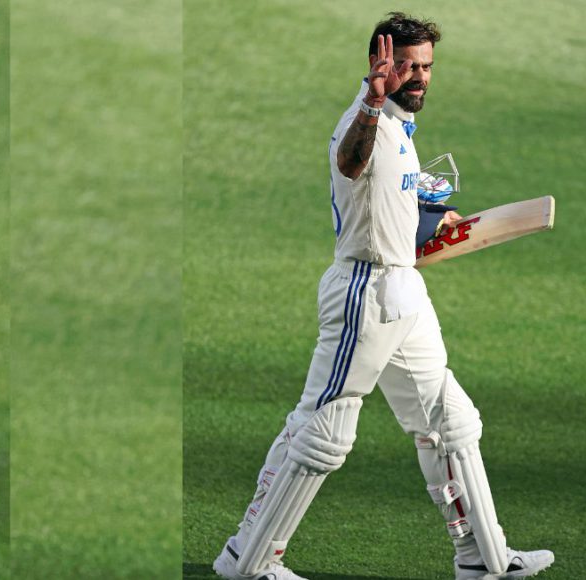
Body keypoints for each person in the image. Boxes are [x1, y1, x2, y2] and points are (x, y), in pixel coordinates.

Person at [213, 13, 555, 580]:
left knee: (449, 421)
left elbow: (390, 205)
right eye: (405, 66)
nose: (418, 77)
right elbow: (351, 163)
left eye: (426, 67)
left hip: (404, 291)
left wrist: (434, 219)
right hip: (365, 293)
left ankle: (484, 560)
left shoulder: (401, 129)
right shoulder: (365, 120)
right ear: (379, 64)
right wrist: (373, 100)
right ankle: (248, 561)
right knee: (323, 431)